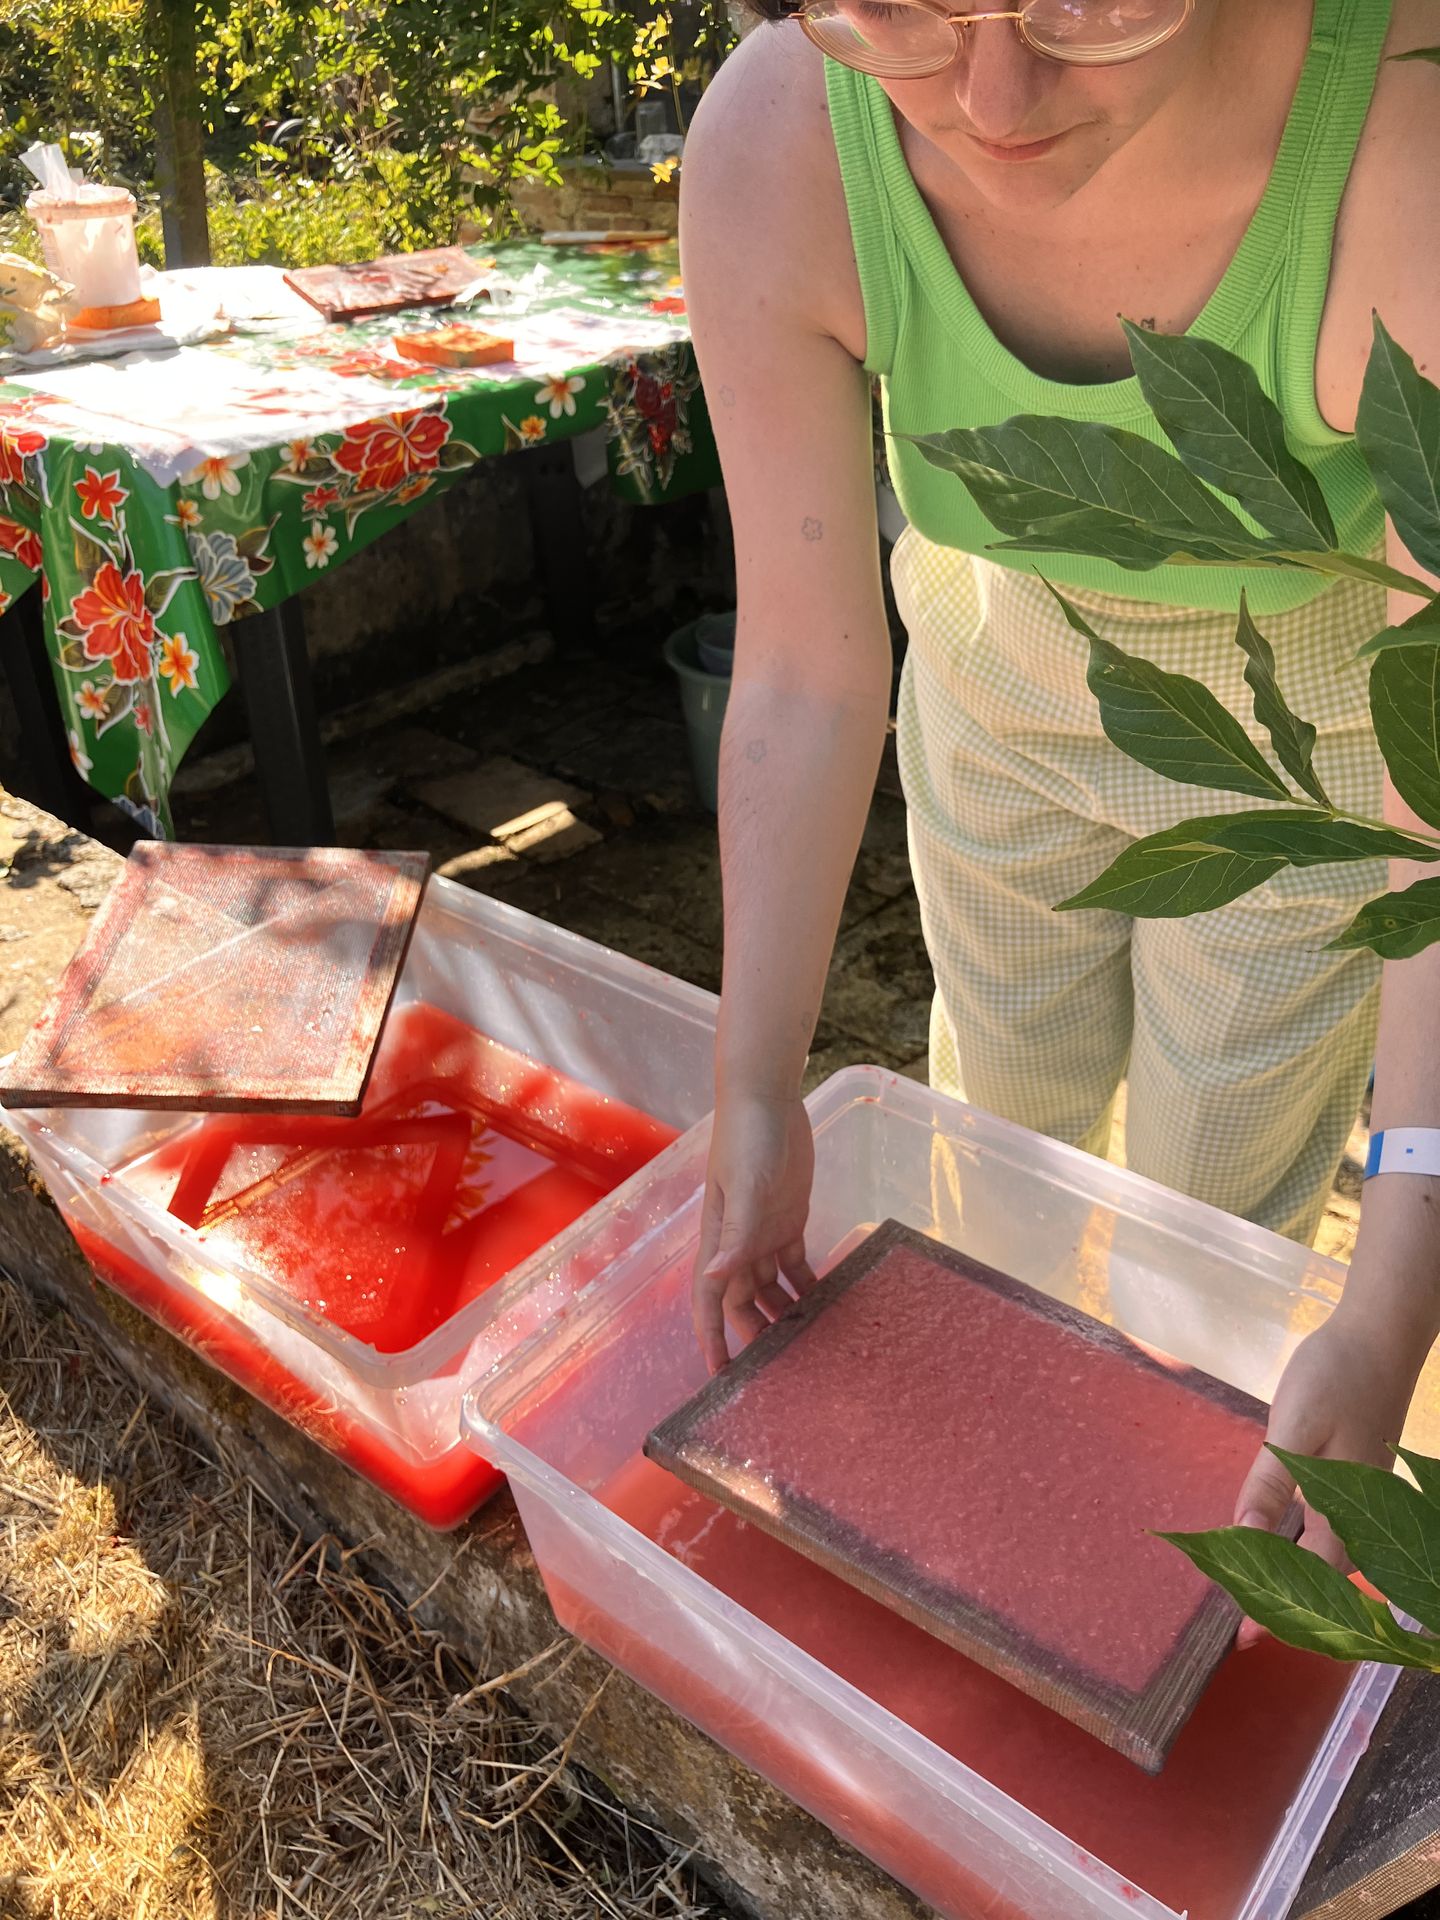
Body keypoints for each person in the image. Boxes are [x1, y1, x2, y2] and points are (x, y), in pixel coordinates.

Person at [681, 0, 1440, 1593]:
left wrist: (1390, 1296)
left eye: (1092, 0)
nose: (995, 93)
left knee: (1208, 1216)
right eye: (896, 5)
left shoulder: (1403, 143)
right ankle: (992, 1547)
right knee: (996, 1126)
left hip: (1308, 763)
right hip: (998, 700)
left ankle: (1138, 1586)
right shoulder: (783, 148)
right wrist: (754, 1078)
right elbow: (809, 674)